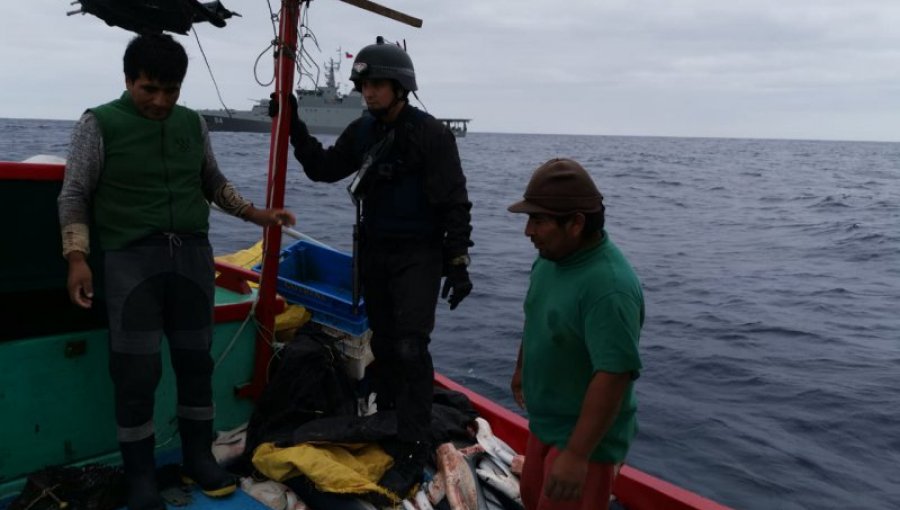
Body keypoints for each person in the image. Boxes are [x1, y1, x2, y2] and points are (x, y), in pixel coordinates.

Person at [57, 33, 296, 510]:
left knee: (196, 365)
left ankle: (197, 458)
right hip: (131, 263)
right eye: (149, 89)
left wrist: (256, 215)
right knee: (135, 374)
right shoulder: (98, 123)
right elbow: (74, 194)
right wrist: (77, 258)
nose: (161, 101)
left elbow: (211, 181)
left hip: (191, 259)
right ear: (128, 81)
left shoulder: (191, 123)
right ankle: (140, 475)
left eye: (171, 90)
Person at [281, 37, 473, 496]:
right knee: (384, 343)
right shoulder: (362, 131)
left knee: (410, 346)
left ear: (401, 86)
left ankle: (412, 442)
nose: (368, 92)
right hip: (375, 252)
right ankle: (390, 418)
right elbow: (324, 169)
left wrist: (459, 262)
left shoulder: (431, 135)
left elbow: (454, 203)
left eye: (377, 84)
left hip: (418, 257)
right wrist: (294, 128)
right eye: (363, 84)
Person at [507, 158, 644, 510]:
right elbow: (537, 316)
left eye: (538, 220)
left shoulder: (609, 287)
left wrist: (577, 456)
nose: (528, 232)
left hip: (583, 439)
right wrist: (522, 368)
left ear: (576, 224)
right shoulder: (549, 260)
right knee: (530, 496)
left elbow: (614, 374)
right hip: (545, 421)